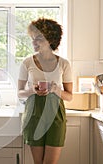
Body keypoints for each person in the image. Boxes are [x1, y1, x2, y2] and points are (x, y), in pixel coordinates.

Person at [17, 18, 73, 164]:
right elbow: (19, 93)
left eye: (39, 39)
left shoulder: (64, 64)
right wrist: (32, 91)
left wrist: (55, 89)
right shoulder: (27, 62)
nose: (34, 43)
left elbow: (69, 96)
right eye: (33, 39)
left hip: (55, 115)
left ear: (50, 40)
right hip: (33, 113)